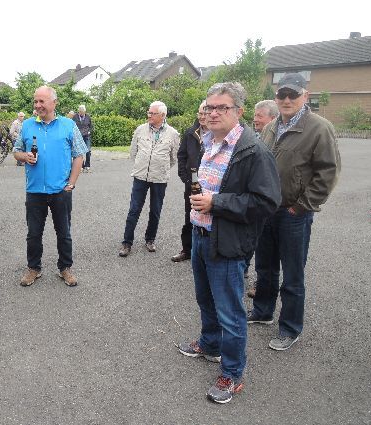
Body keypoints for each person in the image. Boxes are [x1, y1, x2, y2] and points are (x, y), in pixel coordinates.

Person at [177, 82, 281, 404]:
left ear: (239, 111)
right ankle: (210, 345)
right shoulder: (208, 142)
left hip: (227, 242)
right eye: (209, 107)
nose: (213, 113)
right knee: (205, 299)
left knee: (230, 312)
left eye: (221, 107)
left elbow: (267, 201)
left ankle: (232, 373)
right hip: (200, 235)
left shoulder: (253, 150)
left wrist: (216, 203)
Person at [249, 73, 341, 351]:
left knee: (292, 273)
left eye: (293, 94)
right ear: (276, 97)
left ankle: (290, 327)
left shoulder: (320, 128)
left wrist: (300, 206)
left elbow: (328, 173)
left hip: (294, 214)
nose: (287, 99)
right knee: (265, 267)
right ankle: (263, 311)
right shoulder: (271, 126)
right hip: (267, 210)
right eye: (282, 94)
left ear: (305, 96)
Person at [13, 86, 88, 287]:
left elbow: (79, 154)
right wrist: (24, 156)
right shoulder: (27, 125)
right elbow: (16, 151)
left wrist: (71, 183)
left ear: (54, 103)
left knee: (64, 233)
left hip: (60, 191)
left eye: (42, 101)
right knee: (33, 234)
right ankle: (33, 268)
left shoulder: (68, 125)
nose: (38, 105)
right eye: (35, 101)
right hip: (34, 190)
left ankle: (65, 268)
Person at [118, 101, 179, 257]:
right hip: (140, 176)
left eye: (152, 113)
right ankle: (127, 242)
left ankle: (150, 239)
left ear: (163, 115)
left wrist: (160, 167)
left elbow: (173, 158)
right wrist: (142, 165)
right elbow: (133, 152)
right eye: (149, 112)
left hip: (160, 178)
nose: (149, 115)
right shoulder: (140, 129)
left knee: (155, 211)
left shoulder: (173, 134)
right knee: (134, 209)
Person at [244, 99, 280, 297]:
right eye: (255, 115)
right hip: (252, 198)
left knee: (268, 249)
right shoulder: (252, 135)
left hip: (273, 201)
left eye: (259, 115)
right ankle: (245, 271)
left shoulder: (275, 137)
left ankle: (263, 285)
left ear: (272, 118)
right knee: (251, 240)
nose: (255, 119)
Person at [171, 100, 207, 263]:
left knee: (209, 217)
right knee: (190, 216)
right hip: (192, 181)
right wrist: (184, 177)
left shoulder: (218, 132)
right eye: (200, 113)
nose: (202, 116)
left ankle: (205, 253)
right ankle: (187, 250)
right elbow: (181, 155)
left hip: (211, 183)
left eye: (205, 113)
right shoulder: (190, 132)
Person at [73, 105, 93, 172]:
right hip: (78, 137)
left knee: (88, 151)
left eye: (82, 112)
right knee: (80, 152)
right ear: (79, 111)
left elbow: (91, 126)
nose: (81, 113)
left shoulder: (88, 117)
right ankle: (81, 166)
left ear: (85, 111)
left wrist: (89, 131)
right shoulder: (75, 117)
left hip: (87, 136)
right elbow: (72, 126)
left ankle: (87, 166)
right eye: (80, 112)